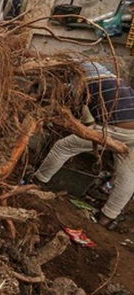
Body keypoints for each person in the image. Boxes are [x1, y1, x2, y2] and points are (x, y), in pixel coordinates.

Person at [33, 61, 134, 228]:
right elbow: (88, 115)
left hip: (117, 128)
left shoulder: (82, 81)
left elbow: (76, 113)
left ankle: (37, 181)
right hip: (130, 131)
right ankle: (107, 217)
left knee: (63, 146)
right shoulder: (113, 81)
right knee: (128, 173)